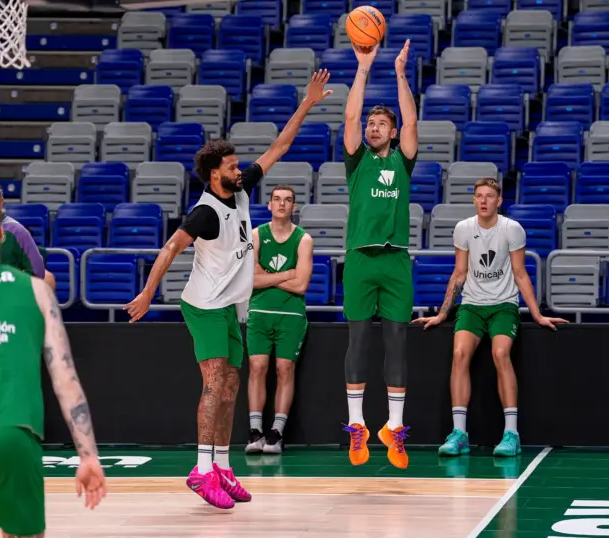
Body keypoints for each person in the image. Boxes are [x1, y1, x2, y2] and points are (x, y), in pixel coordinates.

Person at [123, 70, 333, 509]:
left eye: (239, 165)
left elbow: (279, 148)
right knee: (215, 384)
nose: (241, 169)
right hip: (204, 306)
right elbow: (169, 248)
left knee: (233, 386)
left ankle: (222, 466)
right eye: (234, 166)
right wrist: (146, 293)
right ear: (215, 173)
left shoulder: (239, 191)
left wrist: (308, 104)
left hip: (231, 307)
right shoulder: (204, 213)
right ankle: (201, 470)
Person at [0, 193, 106, 538]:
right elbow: (65, 380)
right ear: (1, 235)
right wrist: (88, 456)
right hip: (15, 432)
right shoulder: (38, 291)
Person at [412, 179, 568, 457]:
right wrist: (442, 314)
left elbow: (520, 274)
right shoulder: (463, 229)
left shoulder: (511, 229)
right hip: (471, 305)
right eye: (479, 196)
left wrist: (537, 314)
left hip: (503, 306)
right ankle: (459, 434)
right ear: (474, 201)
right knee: (459, 353)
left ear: (499, 201)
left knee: (500, 354)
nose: (483, 201)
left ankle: (511, 434)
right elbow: (459, 273)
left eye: (489, 196)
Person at [341, 40, 417, 470]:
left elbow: (412, 121)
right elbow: (350, 115)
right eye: (371, 122)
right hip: (360, 258)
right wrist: (364, 69)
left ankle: (394, 429)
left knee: (396, 342)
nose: (372, 127)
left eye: (380, 123)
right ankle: (357, 427)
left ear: (392, 131)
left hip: (395, 259)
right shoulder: (357, 162)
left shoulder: (403, 163)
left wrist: (402, 75)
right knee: (358, 340)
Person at [244, 185, 313, 455]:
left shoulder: (304, 239)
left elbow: (302, 285)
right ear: (270, 205)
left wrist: (267, 276)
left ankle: (277, 432)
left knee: (285, 370)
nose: (282, 204)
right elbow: (249, 279)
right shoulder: (256, 235)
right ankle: (255, 430)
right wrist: (287, 273)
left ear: (293, 207)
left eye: (287, 200)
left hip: (291, 315)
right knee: (257, 367)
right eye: (277, 200)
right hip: (260, 312)